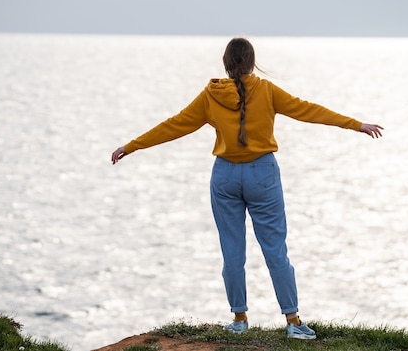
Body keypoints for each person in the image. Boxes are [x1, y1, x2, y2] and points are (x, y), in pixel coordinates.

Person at [111, 37, 383, 340]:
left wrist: (131, 146)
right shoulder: (266, 90)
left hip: (225, 175)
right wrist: (356, 124)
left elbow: (175, 124)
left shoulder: (210, 95)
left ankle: (239, 319)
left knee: (232, 250)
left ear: (226, 64)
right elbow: (307, 110)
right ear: (252, 63)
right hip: (262, 174)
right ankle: (293, 321)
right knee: (275, 250)